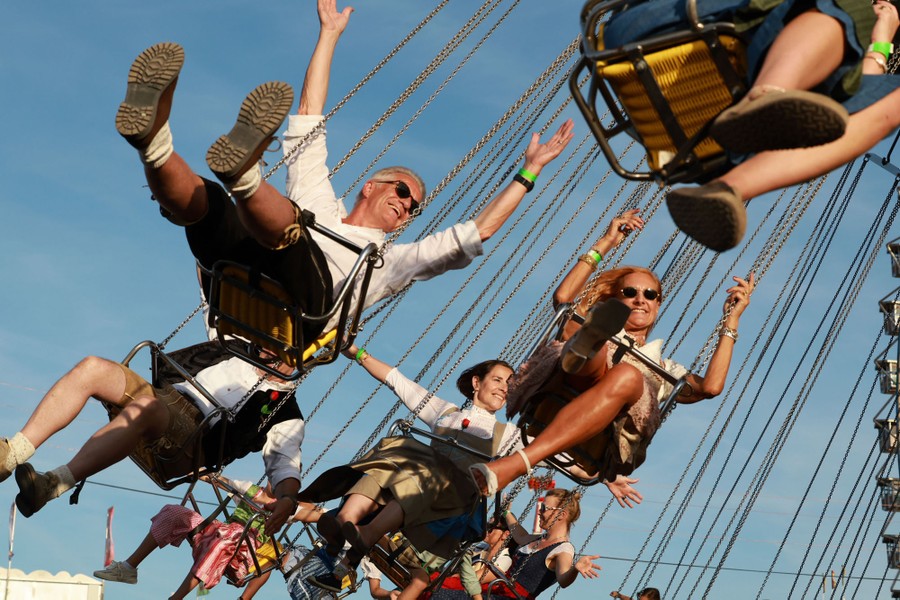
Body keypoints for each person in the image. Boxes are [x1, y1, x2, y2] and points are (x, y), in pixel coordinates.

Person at [116, 0, 574, 344]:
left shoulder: (390, 263)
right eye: (402, 190)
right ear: (370, 186)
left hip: (301, 312)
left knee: (296, 232)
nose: (407, 205)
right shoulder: (321, 197)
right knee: (209, 205)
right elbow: (310, 116)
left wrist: (529, 171)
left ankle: (245, 176)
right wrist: (330, 35)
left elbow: (479, 232)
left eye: (413, 207)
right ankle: (152, 141)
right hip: (243, 280)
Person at [469, 210, 754, 494]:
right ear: (616, 298)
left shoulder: (664, 367)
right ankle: (587, 345)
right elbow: (564, 299)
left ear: (657, 304)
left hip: (611, 432)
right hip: (564, 386)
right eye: (630, 293)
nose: (640, 299)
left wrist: (731, 321)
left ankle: (586, 347)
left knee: (628, 374)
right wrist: (606, 242)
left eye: (650, 295)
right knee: (593, 340)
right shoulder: (607, 331)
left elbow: (711, 387)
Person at [651, 0, 900, 251]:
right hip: (679, 26)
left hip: (726, 122)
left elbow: (859, 97)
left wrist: (881, 42)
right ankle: (763, 98)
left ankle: (727, 188)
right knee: (852, 8)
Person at [0, 346, 303, 535]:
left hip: (195, 439)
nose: (268, 351)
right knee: (93, 367)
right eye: (268, 341)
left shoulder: (285, 412)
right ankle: (11, 455)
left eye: (282, 347)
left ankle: (51, 484)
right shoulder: (234, 347)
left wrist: (288, 499)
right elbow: (210, 282)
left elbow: (284, 466)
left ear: (303, 357)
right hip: (168, 398)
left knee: (147, 408)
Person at [296, 346, 522, 595]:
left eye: (509, 385)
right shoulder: (445, 413)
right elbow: (397, 381)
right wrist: (358, 354)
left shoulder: (507, 435)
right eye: (498, 380)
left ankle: (362, 534)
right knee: (395, 458)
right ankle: (345, 525)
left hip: (450, 503)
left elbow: (554, 448)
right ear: (476, 382)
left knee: (421, 469)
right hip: (416, 481)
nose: (504, 388)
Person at [93, 474, 324, 599]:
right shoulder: (250, 488)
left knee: (227, 538)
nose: (276, 481)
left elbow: (318, 515)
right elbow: (219, 479)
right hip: (220, 533)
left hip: (242, 552)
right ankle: (129, 567)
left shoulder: (288, 508)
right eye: (275, 475)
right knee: (175, 512)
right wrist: (200, 471)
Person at [430, 488, 601, 599]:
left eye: (544, 509)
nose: (540, 513)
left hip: (508, 597)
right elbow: (517, 532)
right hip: (494, 590)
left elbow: (563, 578)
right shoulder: (537, 539)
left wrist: (575, 569)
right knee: (435, 582)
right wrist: (505, 511)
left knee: (441, 595)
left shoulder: (563, 549)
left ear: (561, 515)